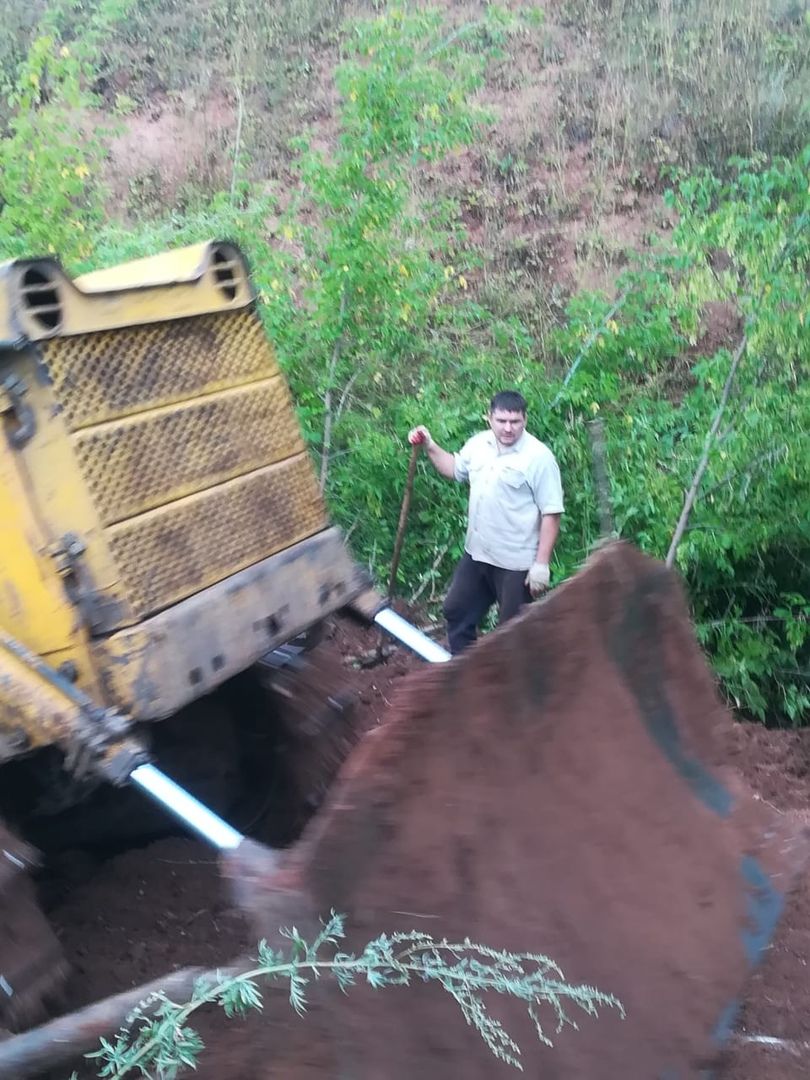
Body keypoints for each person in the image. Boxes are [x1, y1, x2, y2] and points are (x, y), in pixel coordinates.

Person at [408, 390, 563, 655]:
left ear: (525, 419)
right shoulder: (479, 445)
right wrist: (430, 445)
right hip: (478, 555)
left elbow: (551, 512)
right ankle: (465, 676)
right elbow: (454, 469)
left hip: (515, 563)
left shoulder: (539, 458)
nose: (508, 428)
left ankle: (512, 692)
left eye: (515, 421)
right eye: (501, 420)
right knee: (456, 611)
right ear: (489, 417)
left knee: (513, 635)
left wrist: (541, 564)